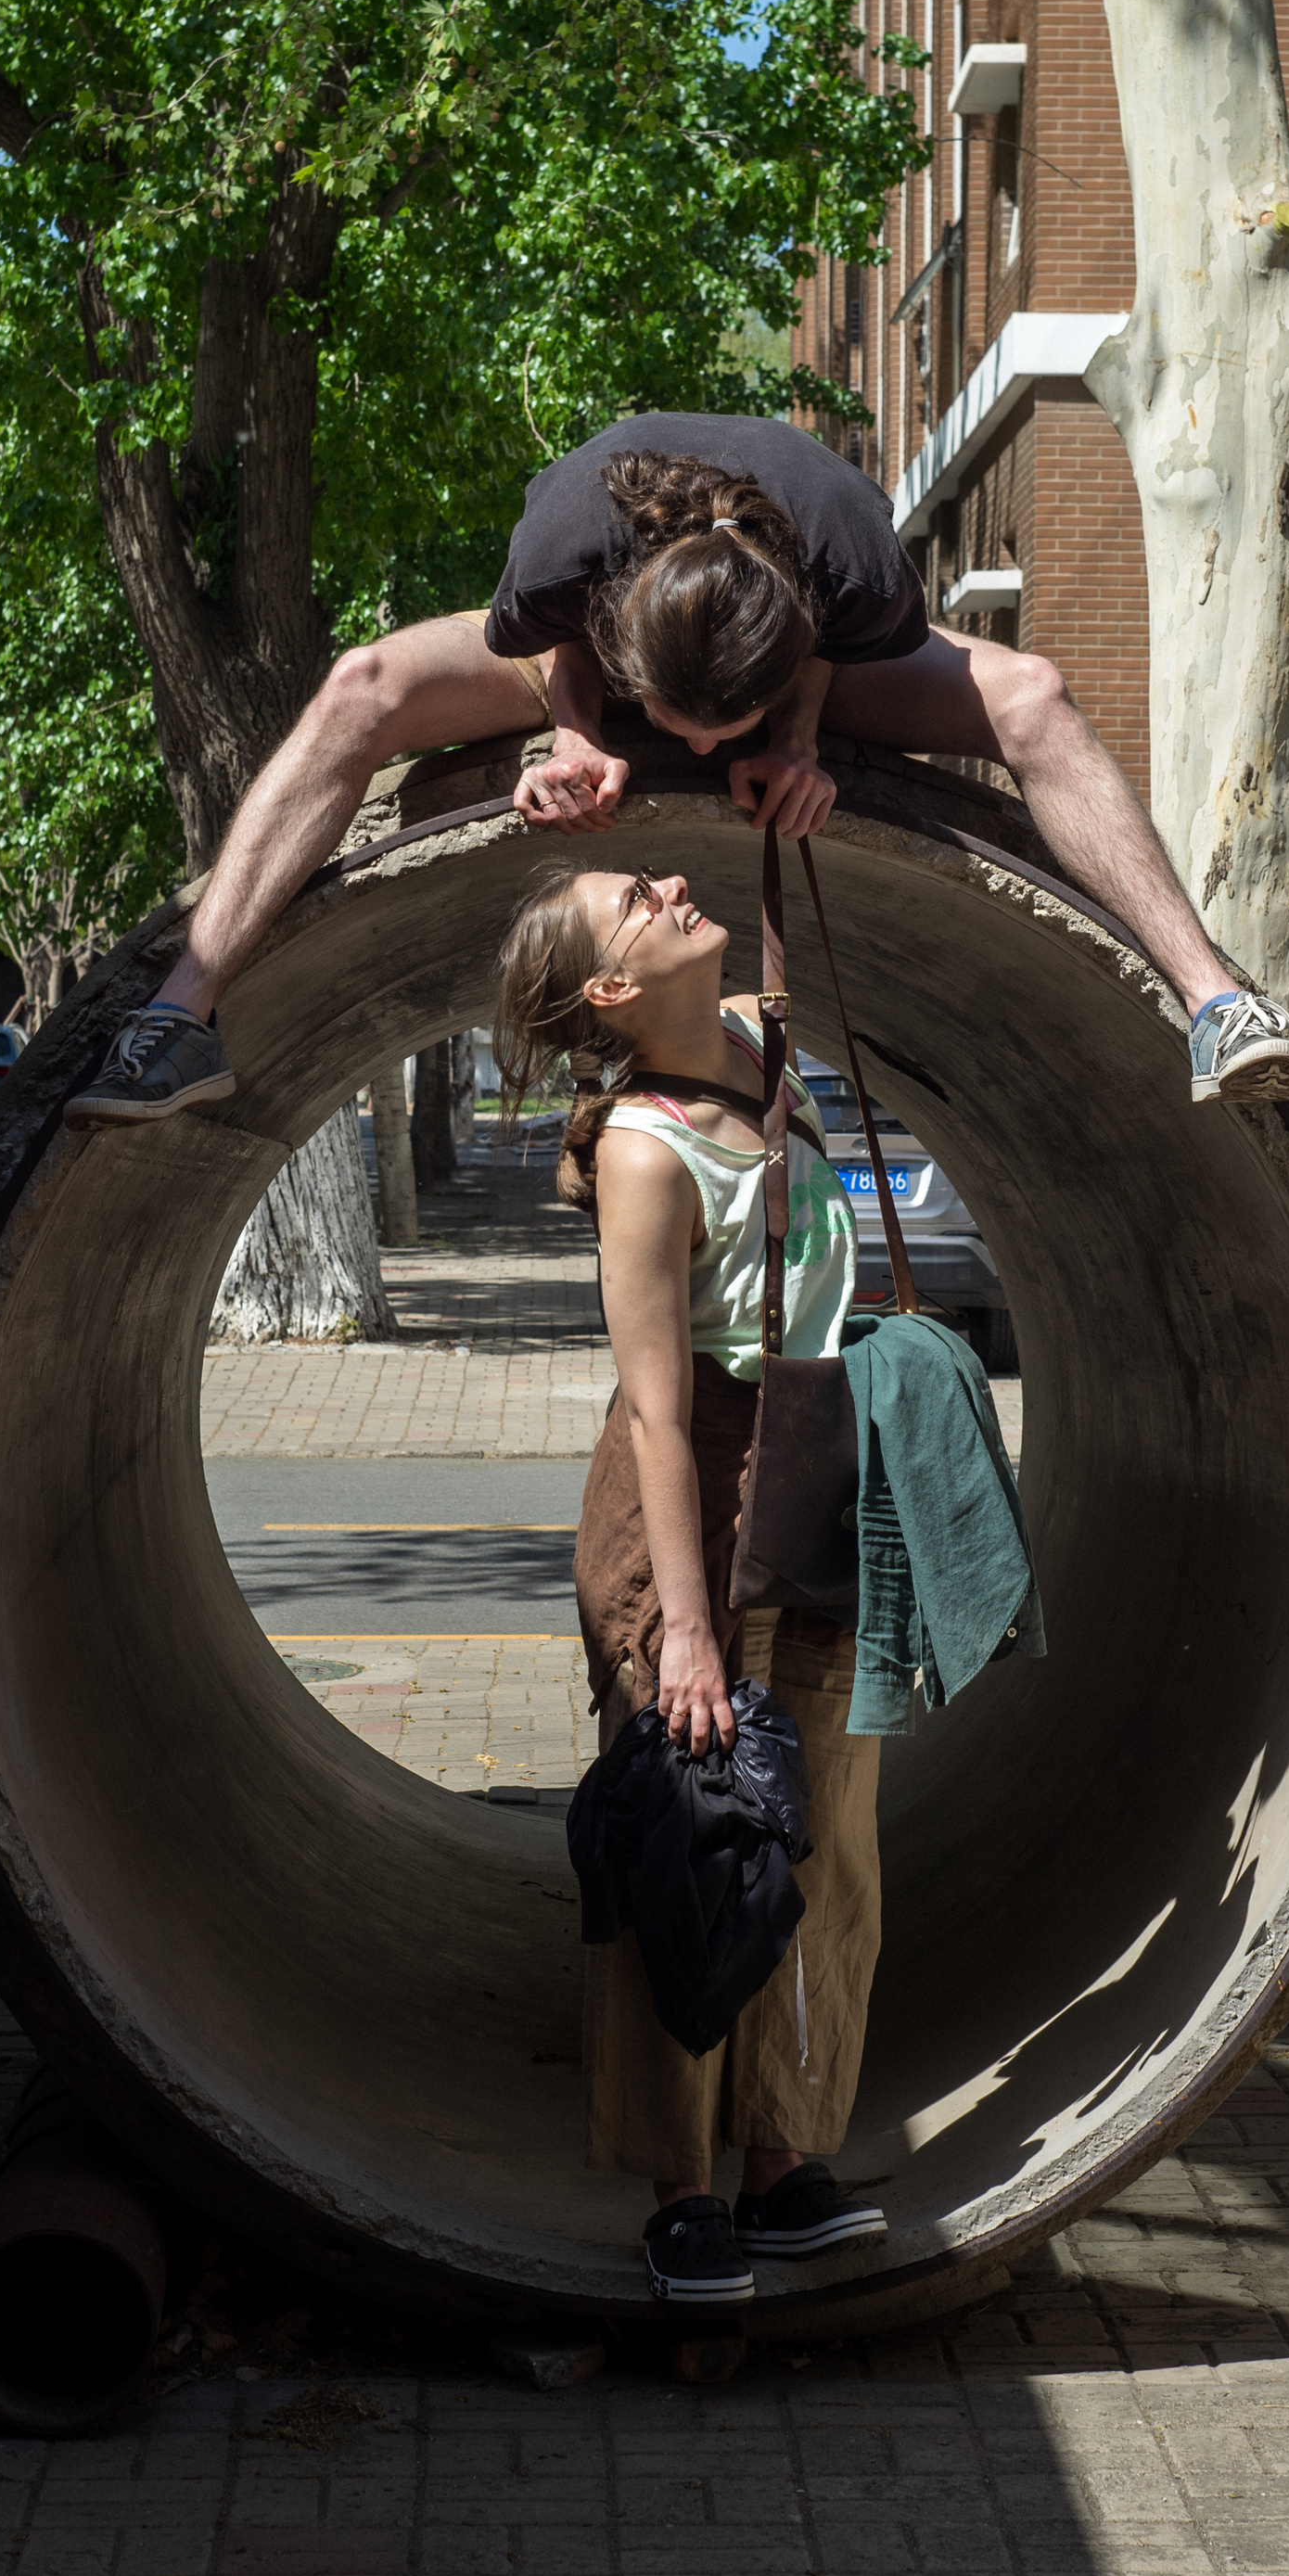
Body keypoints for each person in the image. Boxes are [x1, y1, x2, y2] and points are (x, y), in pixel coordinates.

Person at [65, 413, 1289, 1124]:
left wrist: (804, 736)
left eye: (724, 739)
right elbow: (551, 646)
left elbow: (834, 656)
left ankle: (1214, 1000)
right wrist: (576, 728)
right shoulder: (564, 545)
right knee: (358, 687)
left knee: (1033, 695)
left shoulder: (854, 558)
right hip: (596, 649)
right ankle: (181, 1014)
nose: (703, 766)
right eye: (686, 732)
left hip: (790, 639)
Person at [492, 855, 888, 2304]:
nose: (670, 879)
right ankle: (681, 2189)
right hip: (694, 1517)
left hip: (818, 1484)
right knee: (694, 1845)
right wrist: (688, 1638)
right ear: (608, 989)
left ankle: (785, 2162)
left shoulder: (759, 1042)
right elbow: (657, 1409)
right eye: (632, 898)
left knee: (826, 1844)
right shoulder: (645, 1150)